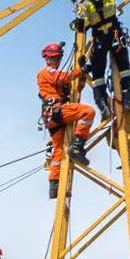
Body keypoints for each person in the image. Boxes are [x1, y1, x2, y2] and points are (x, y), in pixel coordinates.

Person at [69, 0, 130, 120]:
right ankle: (127, 100)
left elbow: (81, 28)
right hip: (115, 36)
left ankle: (103, 106)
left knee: (98, 74)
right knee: (124, 67)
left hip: (100, 39)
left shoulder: (84, 5)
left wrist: (76, 23)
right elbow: (113, 10)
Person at [36, 41, 94, 199]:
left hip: (53, 116)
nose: (57, 61)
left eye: (58, 58)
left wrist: (82, 73)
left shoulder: (55, 77)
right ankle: (77, 145)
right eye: (54, 58)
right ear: (47, 58)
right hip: (55, 112)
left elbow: (75, 87)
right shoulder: (46, 72)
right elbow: (64, 78)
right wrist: (79, 70)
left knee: (59, 150)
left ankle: (54, 184)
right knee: (88, 112)